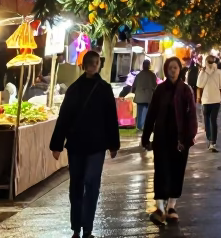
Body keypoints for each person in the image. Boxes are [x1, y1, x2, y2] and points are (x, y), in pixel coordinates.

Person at [49, 49, 120, 238]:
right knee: (77, 186)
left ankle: (87, 228)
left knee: (91, 183)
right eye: (90, 62)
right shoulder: (74, 89)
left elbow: (111, 118)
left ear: (99, 65)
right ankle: (76, 228)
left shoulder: (104, 89)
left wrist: (114, 144)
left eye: (96, 62)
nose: (93, 66)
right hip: (77, 145)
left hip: (96, 146)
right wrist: (57, 144)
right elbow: (64, 117)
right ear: (84, 65)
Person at [141, 56, 198, 227]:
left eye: (175, 67)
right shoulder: (160, 90)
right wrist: (146, 137)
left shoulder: (186, 90)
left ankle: (172, 207)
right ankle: (159, 208)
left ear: (180, 70)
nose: (172, 70)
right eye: (170, 67)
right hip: (161, 138)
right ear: (166, 70)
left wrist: (189, 138)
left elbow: (192, 116)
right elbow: (151, 114)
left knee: (177, 172)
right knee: (161, 171)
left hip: (180, 140)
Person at [196, 53, 221, 152]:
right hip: (215, 100)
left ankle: (210, 140)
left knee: (207, 121)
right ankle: (213, 142)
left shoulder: (202, 72)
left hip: (205, 100)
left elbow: (199, 87)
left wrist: (198, 98)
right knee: (213, 121)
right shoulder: (219, 72)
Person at [132, 59, 159, 137]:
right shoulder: (152, 75)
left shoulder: (138, 75)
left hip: (140, 96)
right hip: (148, 97)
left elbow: (134, 86)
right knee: (146, 112)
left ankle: (139, 126)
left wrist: (134, 92)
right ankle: (144, 126)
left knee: (139, 111)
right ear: (149, 65)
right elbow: (155, 86)